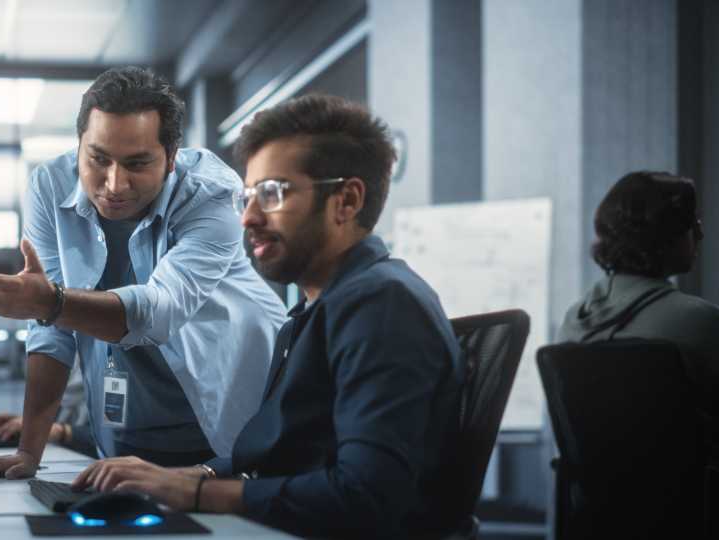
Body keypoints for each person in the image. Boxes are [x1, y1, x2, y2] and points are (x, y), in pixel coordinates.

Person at [70, 95, 465, 539]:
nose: (249, 218)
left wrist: (198, 495)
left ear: (347, 201)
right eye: (249, 196)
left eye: (274, 193)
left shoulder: (382, 305)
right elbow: (279, 456)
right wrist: (189, 474)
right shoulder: (316, 309)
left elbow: (365, 496)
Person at [0, 67, 286, 480]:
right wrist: (28, 453)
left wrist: (52, 303)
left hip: (220, 427)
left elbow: (158, 313)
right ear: (79, 145)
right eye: (98, 159)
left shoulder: (213, 195)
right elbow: (52, 330)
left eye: (137, 163)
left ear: (172, 156)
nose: (114, 183)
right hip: (127, 435)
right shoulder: (49, 187)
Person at [558, 171, 719, 440]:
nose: (700, 233)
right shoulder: (698, 321)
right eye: (691, 222)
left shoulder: (572, 321)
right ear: (665, 236)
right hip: (693, 481)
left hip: (601, 483)